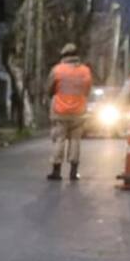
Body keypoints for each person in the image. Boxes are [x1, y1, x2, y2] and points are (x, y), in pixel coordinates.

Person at [46, 43, 93, 181]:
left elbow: (49, 88)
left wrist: (52, 96)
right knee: (75, 140)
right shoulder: (85, 70)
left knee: (59, 140)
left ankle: (56, 171)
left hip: (60, 111)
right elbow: (88, 89)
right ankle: (73, 172)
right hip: (79, 111)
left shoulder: (57, 70)